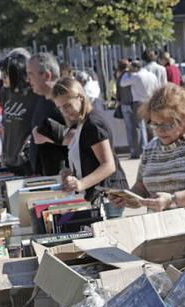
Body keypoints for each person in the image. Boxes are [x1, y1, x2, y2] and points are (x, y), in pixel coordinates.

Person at [111, 84, 185, 231]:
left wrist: (172, 199)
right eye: (155, 124)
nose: (159, 130)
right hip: (158, 231)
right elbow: (142, 188)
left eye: (167, 125)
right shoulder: (151, 147)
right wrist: (126, 199)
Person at [51, 77, 128, 218]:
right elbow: (88, 160)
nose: (64, 111)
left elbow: (109, 165)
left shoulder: (93, 124)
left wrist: (80, 183)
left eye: (67, 105)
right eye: (60, 108)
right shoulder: (83, 123)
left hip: (109, 196)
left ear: (80, 97)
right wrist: (70, 173)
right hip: (101, 194)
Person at [0, 48, 40, 175]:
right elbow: (6, 125)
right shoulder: (5, 92)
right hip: (9, 159)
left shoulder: (34, 94)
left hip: (27, 161)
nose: (2, 77)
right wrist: (3, 153)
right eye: (2, 72)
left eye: (6, 73)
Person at [26, 52, 68, 176]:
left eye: (31, 74)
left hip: (65, 182)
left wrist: (53, 135)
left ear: (47, 75)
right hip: (48, 179)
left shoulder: (66, 102)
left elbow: (84, 135)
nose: (28, 79)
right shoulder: (42, 98)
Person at [119, 60, 160, 159]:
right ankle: (155, 149)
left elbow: (122, 83)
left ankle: (142, 150)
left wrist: (127, 73)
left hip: (138, 102)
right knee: (151, 125)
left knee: (139, 127)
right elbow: (157, 87)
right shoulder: (151, 75)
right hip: (150, 100)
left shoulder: (136, 76)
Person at [116, 59, 139, 158]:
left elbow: (118, 93)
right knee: (138, 128)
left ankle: (133, 151)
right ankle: (141, 149)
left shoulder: (119, 77)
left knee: (129, 129)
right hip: (133, 103)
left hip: (124, 104)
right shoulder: (131, 75)